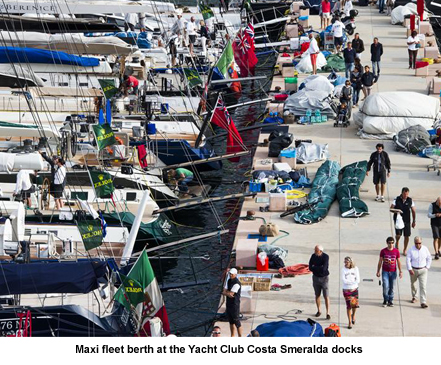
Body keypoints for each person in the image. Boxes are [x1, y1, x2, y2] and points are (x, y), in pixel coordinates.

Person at [376, 237, 403, 307]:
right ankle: (385, 300)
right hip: (385, 272)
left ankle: (390, 300)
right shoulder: (383, 251)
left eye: (392, 243)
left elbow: (399, 262)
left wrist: (400, 271)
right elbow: (380, 261)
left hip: (393, 272)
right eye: (389, 243)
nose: (391, 244)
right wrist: (378, 271)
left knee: (392, 287)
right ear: (387, 243)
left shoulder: (396, 251)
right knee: (385, 286)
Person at [406, 237, 431, 308]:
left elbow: (429, 258)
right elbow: (408, 260)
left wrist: (427, 267)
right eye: (416, 243)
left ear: (421, 243)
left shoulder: (425, 249)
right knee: (413, 284)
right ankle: (415, 296)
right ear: (414, 243)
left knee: (423, 286)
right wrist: (410, 269)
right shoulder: (411, 250)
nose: (418, 245)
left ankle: (423, 301)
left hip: (423, 270)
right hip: (413, 269)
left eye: (419, 243)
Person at [390, 187, 416, 255]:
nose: (405, 196)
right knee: (398, 235)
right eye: (404, 194)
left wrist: (414, 221)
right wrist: (397, 211)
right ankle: (397, 243)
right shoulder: (397, 199)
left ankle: (405, 249)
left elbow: (413, 211)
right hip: (398, 219)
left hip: (407, 220)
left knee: (407, 235)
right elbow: (391, 208)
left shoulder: (410, 200)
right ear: (402, 193)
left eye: (407, 194)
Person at [308, 245, 331, 320]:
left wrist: (315, 267)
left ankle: (328, 313)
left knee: (326, 296)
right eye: (314, 250)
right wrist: (318, 267)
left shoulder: (325, 257)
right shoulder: (313, 256)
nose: (314, 251)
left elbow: (324, 269)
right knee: (317, 295)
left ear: (320, 251)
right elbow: (310, 267)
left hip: (324, 279)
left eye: (316, 250)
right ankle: (319, 310)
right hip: (315, 278)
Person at [222, 268, 242, 336]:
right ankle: (232, 336)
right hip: (229, 304)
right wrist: (227, 292)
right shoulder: (229, 281)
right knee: (231, 322)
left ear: (235, 274)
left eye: (232, 274)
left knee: (237, 321)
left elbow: (231, 294)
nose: (230, 275)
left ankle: (240, 336)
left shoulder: (237, 283)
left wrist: (225, 292)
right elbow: (226, 290)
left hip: (234, 305)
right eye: (230, 273)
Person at [341, 257, 360, 329]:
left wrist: (350, 282)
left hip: (354, 289)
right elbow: (344, 280)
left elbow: (358, 280)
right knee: (349, 306)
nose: (345, 264)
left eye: (347, 262)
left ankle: (353, 315)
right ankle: (349, 322)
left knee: (354, 305)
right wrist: (352, 282)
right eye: (344, 262)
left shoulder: (355, 269)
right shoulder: (343, 269)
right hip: (346, 290)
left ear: (350, 262)